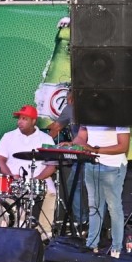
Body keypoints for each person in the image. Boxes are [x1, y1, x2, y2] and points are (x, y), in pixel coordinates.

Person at [0, 105, 57, 237]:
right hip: (14, 179)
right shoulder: (8, 136)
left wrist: (37, 179)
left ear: (34, 121)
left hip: (39, 179)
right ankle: (15, 230)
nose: (20, 122)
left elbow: (52, 165)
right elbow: (0, 160)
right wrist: (11, 176)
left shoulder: (45, 139)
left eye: (24, 119)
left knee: (52, 192)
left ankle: (45, 234)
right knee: (8, 196)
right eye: (19, 118)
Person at [72, 125, 131, 255]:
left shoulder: (120, 117)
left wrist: (94, 149)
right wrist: (72, 145)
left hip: (113, 166)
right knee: (94, 207)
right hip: (91, 164)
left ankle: (116, 249)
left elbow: (123, 146)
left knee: (114, 208)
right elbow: (81, 137)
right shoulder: (87, 115)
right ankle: (91, 245)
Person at [46, 87, 87, 226]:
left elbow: (55, 128)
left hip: (87, 152)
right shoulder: (71, 109)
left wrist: (42, 141)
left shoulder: (71, 108)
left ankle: (82, 220)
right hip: (86, 153)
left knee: (76, 185)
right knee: (79, 185)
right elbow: (56, 127)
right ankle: (86, 221)